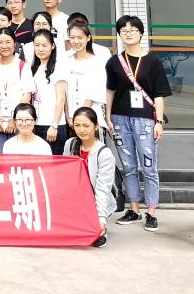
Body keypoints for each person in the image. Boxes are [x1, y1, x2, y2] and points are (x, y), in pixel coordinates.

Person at [106, 15, 171, 233]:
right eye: (123, 30)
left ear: (141, 33)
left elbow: (159, 94)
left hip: (145, 120)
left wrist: (159, 121)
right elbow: (110, 91)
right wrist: (108, 116)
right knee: (128, 166)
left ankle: (151, 211)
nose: (128, 33)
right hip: (120, 118)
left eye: (133, 30)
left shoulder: (153, 61)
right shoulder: (114, 62)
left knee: (149, 166)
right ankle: (134, 209)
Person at [65, 106, 116, 247]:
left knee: (94, 237)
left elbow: (102, 189)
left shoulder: (104, 154)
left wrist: (101, 219)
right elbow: (65, 176)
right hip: (75, 198)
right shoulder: (70, 144)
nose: (81, 130)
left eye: (86, 126)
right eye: (77, 125)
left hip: (95, 199)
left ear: (96, 126)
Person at [0, 28, 36, 153]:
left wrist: (15, 119)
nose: (4, 46)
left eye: (8, 42)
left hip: (18, 121)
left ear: (15, 44)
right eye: (0, 43)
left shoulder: (23, 66)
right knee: (0, 155)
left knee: (18, 155)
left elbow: (26, 95)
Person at [66, 21, 108, 132]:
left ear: (88, 38)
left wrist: (80, 117)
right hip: (69, 118)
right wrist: (68, 116)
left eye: (80, 37)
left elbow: (94, 92)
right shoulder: (66, 60)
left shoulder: (97, 62)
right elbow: (63, 90)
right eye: (72, 37)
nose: (76, 41)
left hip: (89, 118)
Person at [30, 30, 67, 154]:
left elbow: (61, 98)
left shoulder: (58, 68)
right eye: (37, 45)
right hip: (36, 124)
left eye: (44, 45)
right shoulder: (34, 68)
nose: (40, 49)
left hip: (53, 125)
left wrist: (54, 125)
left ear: (52, 46)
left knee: (54, 162)